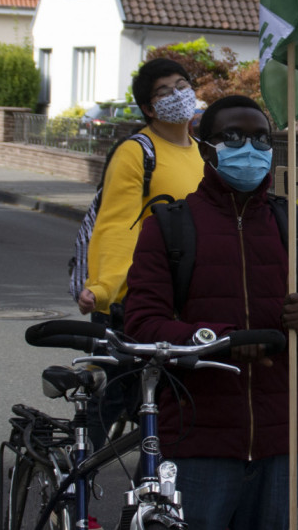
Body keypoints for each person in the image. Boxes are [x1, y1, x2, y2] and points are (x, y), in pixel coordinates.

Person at [124, 95, 298, 530]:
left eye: (261, 138)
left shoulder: (295, 227)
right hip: (198, 442)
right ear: (206, 147)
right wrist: (222, 341)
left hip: (281, 444)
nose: (250, 148)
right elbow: (143, 325)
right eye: (233, 137)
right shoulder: (168, 226)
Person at [75, 58, 205, 447]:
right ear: (149, 108)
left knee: (174, 407)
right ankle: (77, 482)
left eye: (183, 85)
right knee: (113, 397)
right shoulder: (137, 153)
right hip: (135, 302)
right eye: (165, 92)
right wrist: (102, 288)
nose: (178, 96)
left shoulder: (203, 153)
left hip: (182, 302)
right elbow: (117, 225)